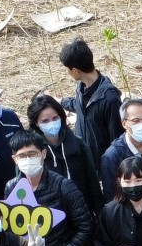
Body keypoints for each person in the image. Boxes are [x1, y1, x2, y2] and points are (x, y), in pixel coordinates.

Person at [4, 129, 95, 246]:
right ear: (14, 159)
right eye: (22, 156)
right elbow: (12, 227)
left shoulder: (63, 186)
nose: (27, 159)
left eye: (32, 154)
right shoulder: (12, 188)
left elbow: (86, 226)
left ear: (43, 154)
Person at [26, 92, 106, 228]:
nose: (51, 123)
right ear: (36, 124)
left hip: (81, 214)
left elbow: (92, 182)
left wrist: (100, 214)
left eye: (55, 118)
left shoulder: (78, 145)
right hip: (49, 220)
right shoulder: (30, 152)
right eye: (45, 121)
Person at [60, 37, 124, 175]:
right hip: (85, 162)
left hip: (102, 168)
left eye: (67, 69)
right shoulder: (82, 87)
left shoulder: (109, 99)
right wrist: (62, 102)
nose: (66, 73)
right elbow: (82, 107)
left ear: (76, 70)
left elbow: (117, 138)